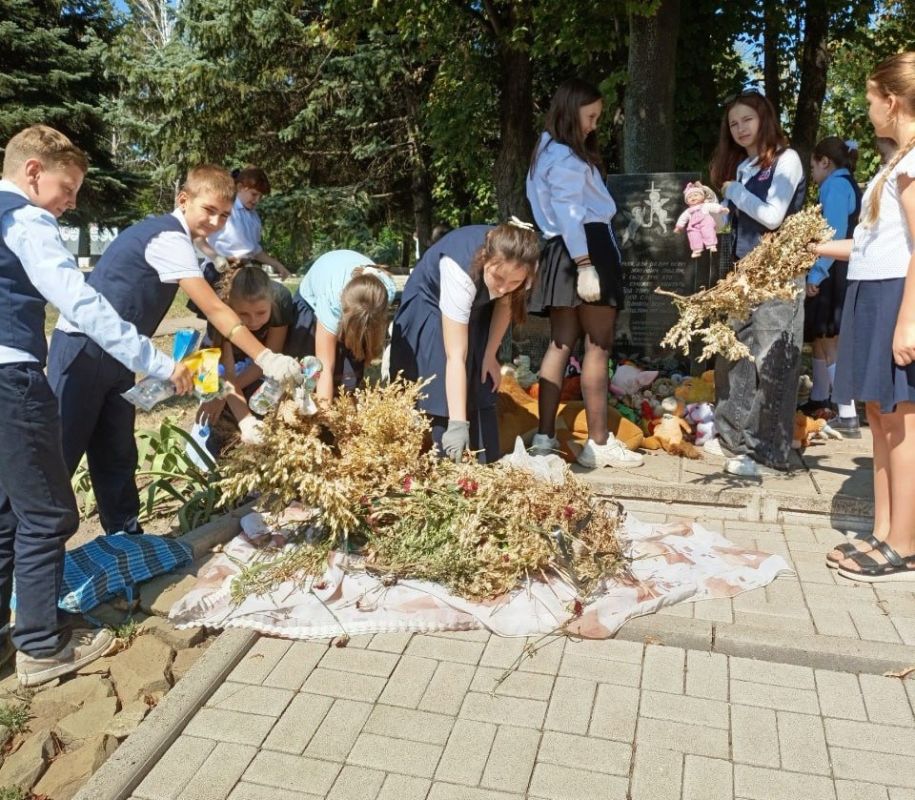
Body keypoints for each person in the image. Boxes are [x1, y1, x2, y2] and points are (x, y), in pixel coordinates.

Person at [0, 125, 192, 685]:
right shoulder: (25, 219)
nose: (72, 202)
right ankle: (40, 644)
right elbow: (81, 304)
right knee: (48, 513)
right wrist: (155, 362)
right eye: (68, 186)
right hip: (14, 377)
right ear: (33, 171)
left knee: (9, 510)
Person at [48, 165, 304, 537]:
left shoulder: (187, 243)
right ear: (183, 200)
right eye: (208, 210)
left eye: (225, 215)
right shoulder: (168, 238)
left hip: (121, 352)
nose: (216, 221)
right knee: (60, 452)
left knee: (116, 452)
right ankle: (28, 552)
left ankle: (125, 539)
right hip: (85, 349)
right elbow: (217, 310)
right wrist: (265, 357)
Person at [819, 52, 915, 581]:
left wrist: (908, 321)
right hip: (871, 289)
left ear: (892, 100)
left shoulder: (912, 164)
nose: (869, 108)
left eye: (871, 98)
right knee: (879, 416)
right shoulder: (893, 164)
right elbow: (869, 242)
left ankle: (905, 542)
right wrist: (811, 245)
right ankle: (882, 532)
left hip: (895, 297)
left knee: (902, 421)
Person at [526, 78, 643, 470]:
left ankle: (544, 438)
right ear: (571, 109)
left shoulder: (544, 151)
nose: (594, 125)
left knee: (560, 344)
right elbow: (572, 214)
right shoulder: (565, 158)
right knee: (597, 347)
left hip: (560, 250)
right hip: (585, 248)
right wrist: (586, 264)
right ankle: (598, 443)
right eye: (590, 116)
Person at [708, 90, 806, 477]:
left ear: (764, 117)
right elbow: (731, 225)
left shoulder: (788, 160)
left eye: (746, 120)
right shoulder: (746, 167)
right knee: (734, 355)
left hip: (778, 274)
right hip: (742, 273)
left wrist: (733, 191)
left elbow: (771, 215)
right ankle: (734, 441)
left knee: (772, 360)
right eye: (733, 124)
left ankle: (769, 452)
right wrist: (711, 207)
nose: (740, 129)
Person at [389, 224, 539, 463]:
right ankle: (443, 453)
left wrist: (490, 354)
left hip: (477, 308)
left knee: (482, 377)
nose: (503, 288)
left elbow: (505, 304)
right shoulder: (458, 269)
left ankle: (483, 457)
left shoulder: (523, 267)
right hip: (430, 308)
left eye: (513, 282)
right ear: (484, 258)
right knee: (439, 379)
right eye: (498, 277)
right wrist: (457, 424)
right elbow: (455, 356)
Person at [196, 264, 296, 452]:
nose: (253, 321)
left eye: (261, 313)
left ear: (271, 304)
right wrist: (242, 417)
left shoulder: (280, 300)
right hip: (217, 361)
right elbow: (226, 374)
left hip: (260, 358)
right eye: (243, 314)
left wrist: (224, 395)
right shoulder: (220, 312)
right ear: (230, 308)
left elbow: (268, 362)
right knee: (218, 414)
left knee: (259, 401)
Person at [803, 136, 863, 436]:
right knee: (820, 336)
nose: (811, 172)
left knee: (829, 338)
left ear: (825, 162)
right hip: (836, 268)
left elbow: (834, 233)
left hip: (832, 270)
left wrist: (816, 274)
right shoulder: (843, 182)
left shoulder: (836, 186)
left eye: (813, 165)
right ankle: (819, 398)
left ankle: (847, 411)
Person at [286, 249, 396, 403]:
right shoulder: (332, 300)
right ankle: (309, 411)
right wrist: (326, 414)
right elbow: (324, 368)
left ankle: (343, 405)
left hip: (354, 302)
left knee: (349, 376)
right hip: (312, 301)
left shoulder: (386, 292)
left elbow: (370, 330)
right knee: (310, 375)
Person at [195, 166, 290, 279]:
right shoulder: (225, 209)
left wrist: (276, 264)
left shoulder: (254, 218)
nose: (257, 200)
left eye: (261, 196)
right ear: (240, 187)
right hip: (217, 268)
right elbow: (198, 238)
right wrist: (216, 258)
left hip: (243, 270)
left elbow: (254, 250)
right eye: (254, 194)